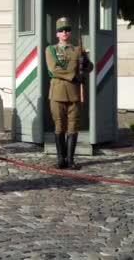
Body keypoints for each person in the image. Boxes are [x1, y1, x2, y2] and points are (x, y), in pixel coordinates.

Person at [45, 17, 93, 170]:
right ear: (57, 34)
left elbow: (89, 67)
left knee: (73, 126)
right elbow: (54, 69)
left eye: (67, 30)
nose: (64, 32)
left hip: (74, 94)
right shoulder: (51, 50)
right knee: (59, 126)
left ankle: (70, 159)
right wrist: (73, 76)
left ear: (70, 33)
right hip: (57, 93)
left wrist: (86, 63)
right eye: (61, 30)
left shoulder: (77, 49)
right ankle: (61, 159)